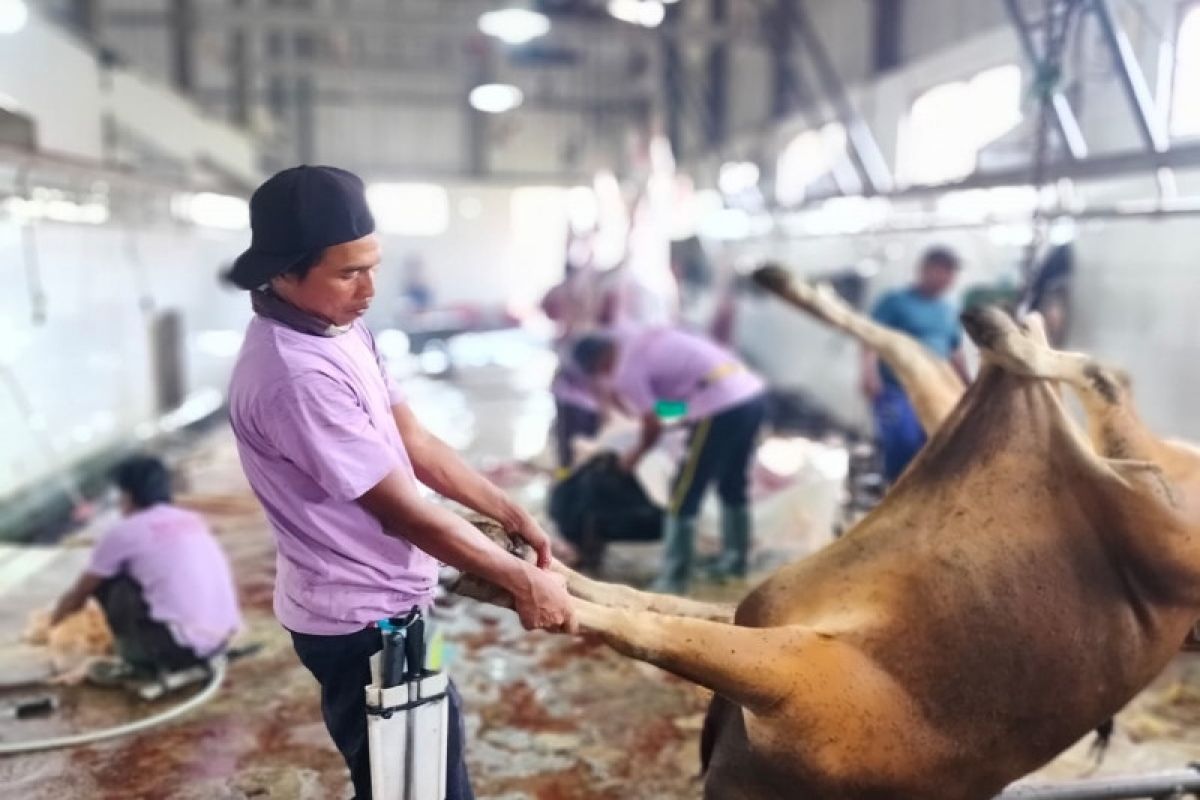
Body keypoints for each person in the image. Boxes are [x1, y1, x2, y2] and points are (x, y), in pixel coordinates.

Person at [224, 165, 574, 800]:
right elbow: (404, 513)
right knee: (416, 786)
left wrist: (510, 512)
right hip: (361, 627)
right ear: (282, 272)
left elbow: (415, 443)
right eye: (347, 272)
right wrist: (520, 579)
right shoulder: (295, 376)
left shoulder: (341, 328)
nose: (369, 289)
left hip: (401, 606)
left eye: (372, 265)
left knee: (424, 770)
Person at [572, 327, 766, 594]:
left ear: (598, 364)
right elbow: (678, 401)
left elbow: (652, 425)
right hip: (750, 394)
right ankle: (735, 564)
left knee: (683, 491)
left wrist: (634, 456)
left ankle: (674, 580)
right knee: (733, 484)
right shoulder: (645, 338)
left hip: (720, 405)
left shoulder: (625, 371)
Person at [50, 455, 241, 677]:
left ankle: (140, 657)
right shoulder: (190, 519)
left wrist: (52, 627)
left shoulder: (122, 533)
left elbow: (79, 595)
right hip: (223, 638)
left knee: (108, 582)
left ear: (127, 494)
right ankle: (175, 639)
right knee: (144, 568)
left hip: (179, 650)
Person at [861, 246, 970, 482]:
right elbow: (871, 338)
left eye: (951, 273)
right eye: (942, 271)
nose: (947, 278)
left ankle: (926, 498)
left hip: (936, 389)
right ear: (925, 270)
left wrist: (969, 385)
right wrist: (869, 374)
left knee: (936, 442)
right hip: (898, 388)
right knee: (903, 440)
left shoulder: (948, 310)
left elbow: (955, 350)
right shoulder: (895, 302)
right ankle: (896, 492)